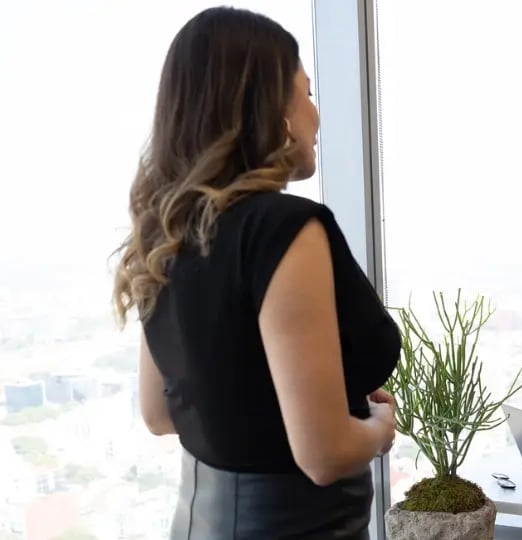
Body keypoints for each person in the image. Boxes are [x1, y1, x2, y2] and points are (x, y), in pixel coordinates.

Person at [111, 7, 400, 539]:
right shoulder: (283, 229)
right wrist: (379, 432)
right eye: (307, 93)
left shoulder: (167, 235)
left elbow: (159, 413)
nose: (317, 115)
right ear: (274, 110)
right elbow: (325, 454)